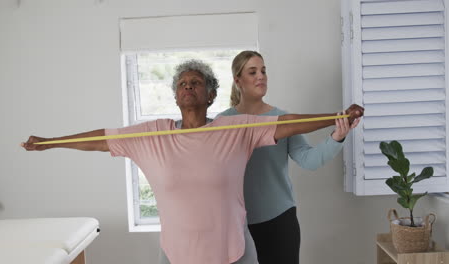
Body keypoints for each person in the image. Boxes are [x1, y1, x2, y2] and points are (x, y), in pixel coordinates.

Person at [21, 59, 363, 264]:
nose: (188, 86)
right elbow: (99, 139)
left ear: (211, 94)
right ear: (174, 94)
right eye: (182, 83)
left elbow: (286, 124)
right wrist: (50, 143)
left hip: (234, 252)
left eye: (196, 82)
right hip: (175, 255)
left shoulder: (235, 129)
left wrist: (337, 117)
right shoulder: (152, 136)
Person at [217, 50, 360, 264]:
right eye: (253, 71)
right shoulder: (223, 122)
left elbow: (309, 160)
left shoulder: (283, 119)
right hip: (237, 224)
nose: (261, 76)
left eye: (263, 71)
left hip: (280, 221)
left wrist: (337, 136)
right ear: (238, 80)